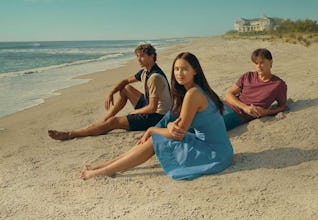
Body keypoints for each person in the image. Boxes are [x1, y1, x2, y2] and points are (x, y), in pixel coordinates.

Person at [80, 52, 233, 181]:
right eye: (176, 69)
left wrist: (153, 129)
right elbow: (179, 126)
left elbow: (178, 134)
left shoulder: (193, 94)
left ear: (195, 71)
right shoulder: (196, 90)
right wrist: (169, 126)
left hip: (214, 154)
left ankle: (103, 171)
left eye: (185, 69)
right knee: (157, 136)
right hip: (220, 149)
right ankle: (106, 166)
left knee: (155, 139)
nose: (179, 73)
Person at [48, 44, 171, 140]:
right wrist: (111, 93)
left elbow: (152, 108)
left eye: (142, 56)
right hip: (150, 106)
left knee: (114, 122)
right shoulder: (146, 71)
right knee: (126, 88)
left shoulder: (155, 77)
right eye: (137, 56)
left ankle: (70, 134)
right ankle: (105, 119)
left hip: (158, 117)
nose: (139, 59)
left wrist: (135, 112)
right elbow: (125, 81)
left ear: (152, 56)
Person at [223, 48, 287, 130]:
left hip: (237, 114)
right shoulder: (248, 76)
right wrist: (245, 107)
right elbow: (229, 94)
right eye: (256, 63)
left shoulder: (278, 84)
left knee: (208, 125)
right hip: (225, 104)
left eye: (262, 63)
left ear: (271, 62)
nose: (258, 66)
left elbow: (282, 106)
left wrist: (266, 112)